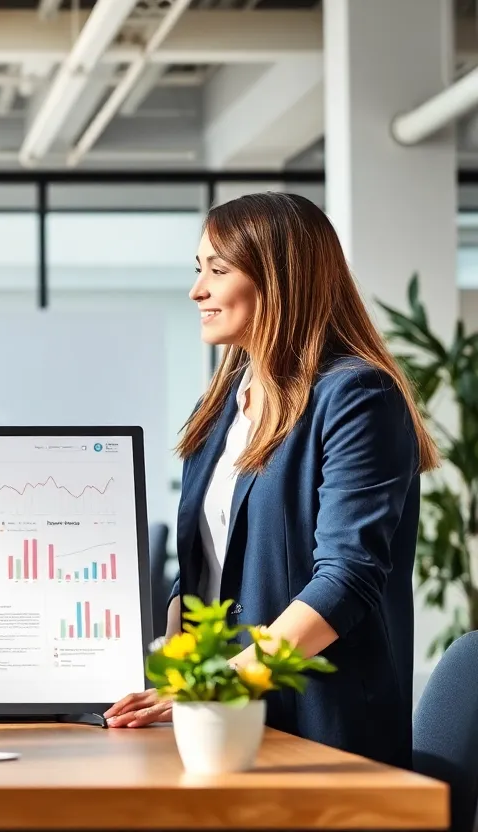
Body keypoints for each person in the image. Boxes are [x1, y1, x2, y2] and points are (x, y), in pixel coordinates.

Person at [104, 192, 435, 770]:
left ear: (279, 279)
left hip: (319, 727)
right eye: (198, 269)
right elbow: (204, 571)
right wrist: (164, 673)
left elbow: (347, 579)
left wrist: (221, 684)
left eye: (218, 270)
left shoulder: (357, 396)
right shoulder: (220, 409)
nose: (197, 290)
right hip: (221, 723)